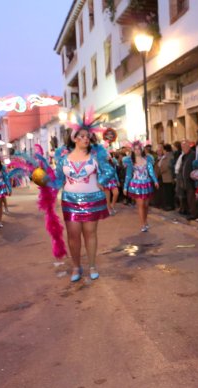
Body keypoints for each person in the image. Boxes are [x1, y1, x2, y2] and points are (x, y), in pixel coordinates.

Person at [52, 112, 116, 282]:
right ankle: (75, 266)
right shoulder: (62, 159)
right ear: (74, 138)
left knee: (90, 233)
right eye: (82, 136)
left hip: (92, 199)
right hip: (70, 200)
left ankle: (92, 265)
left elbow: (110, 170)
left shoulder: (96, 156)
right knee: (73, 235)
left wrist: (101, 180)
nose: (86, 139)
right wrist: (45, 182)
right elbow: (58, 179)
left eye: (88, 136)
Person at [123, 141, 159, 232]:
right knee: (141, 205)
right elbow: (128, 175)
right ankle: (143, 224)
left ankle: (145, 220)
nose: (137, 151)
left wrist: (155, 181)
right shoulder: (130, 162)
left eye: (139, 149)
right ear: (133, 150)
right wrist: (125, 187)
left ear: (141, 149)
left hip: (146, 184)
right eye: (135, 149)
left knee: (146, 205)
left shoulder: (147, 160)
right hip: (136, 184)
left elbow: (151, 172)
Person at [158, 144, 176, 211]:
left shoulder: (169, 156)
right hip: (165, 177)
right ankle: (168, 205)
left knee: (169, 192)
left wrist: (160, 170)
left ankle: (170, 206)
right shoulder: (166, 156)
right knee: (167, 192)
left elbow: (166, 166)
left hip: (168, 176)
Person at [103, 151, 120, 215]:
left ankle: (112, 206)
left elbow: (115, 172)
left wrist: (117, 180)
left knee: (116, 193)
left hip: (113, 180)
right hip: (105, 181)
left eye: (108, 155)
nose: (107, 157)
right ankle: (109, 209)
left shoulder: (112, 163)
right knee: (107, 197)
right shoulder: (101, 164)